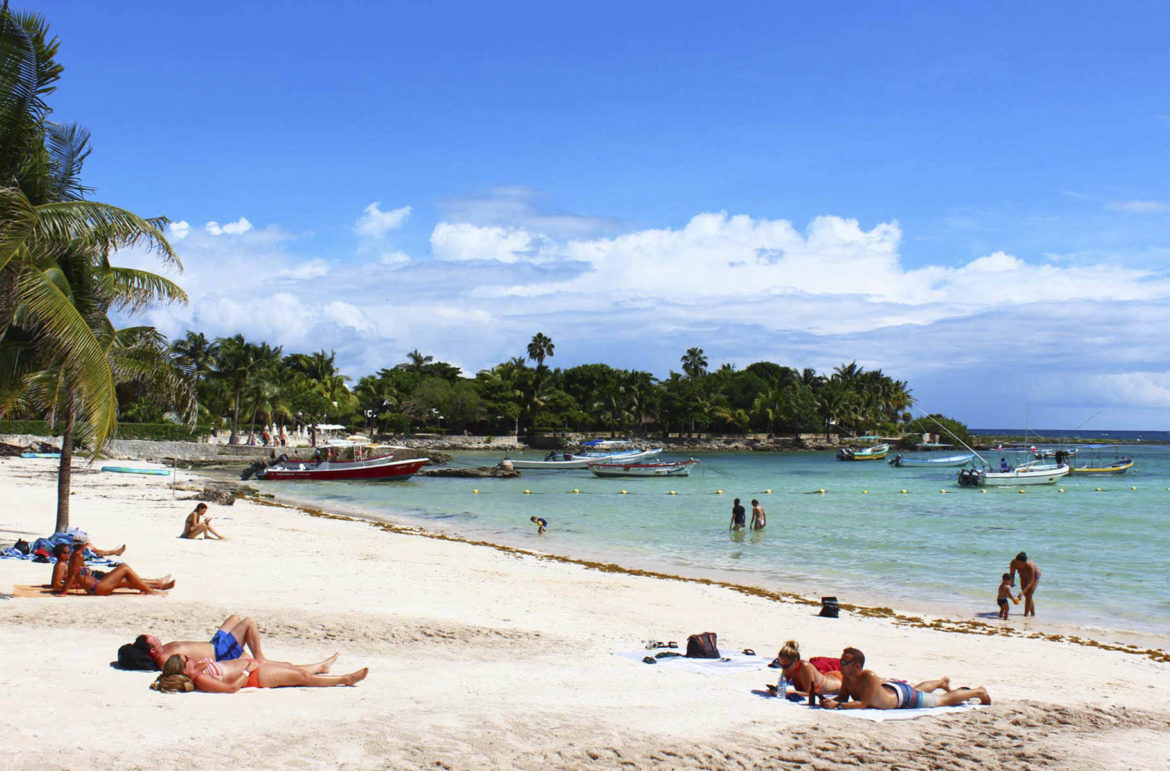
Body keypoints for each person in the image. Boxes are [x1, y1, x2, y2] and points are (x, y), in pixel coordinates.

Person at [821, 647, 990, 710]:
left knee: (942, 700)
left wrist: (838, 705)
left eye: (845, 662)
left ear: (857, 666)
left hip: (903, 698)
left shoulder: (868, 676)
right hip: (892, 691)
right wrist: (827, 701)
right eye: (841, 661)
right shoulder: (847, 677)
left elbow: (863, 704)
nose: (840, 664)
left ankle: (978, 692)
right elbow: (842, 698)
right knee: (917, 688)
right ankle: (941, 682)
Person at [151, 653, 366, 693]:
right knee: (300, 678)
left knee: (293, 668)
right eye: (185, 659)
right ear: (184, 669)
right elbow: (230, 688)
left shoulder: (197, 669)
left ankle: (321, 667)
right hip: (255, 676)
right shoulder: (201, 679)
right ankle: (344, 679)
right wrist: (247, 670)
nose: (189, 657)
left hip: (253, 668)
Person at [134, 613, 277, 668]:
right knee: (249, 622)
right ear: (152, 650)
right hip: (219, 652)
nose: (156, 637)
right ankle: (260, 658)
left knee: (235, 618)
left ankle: (240, 652)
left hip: (214, 644)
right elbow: (185, 667)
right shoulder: (164, 659)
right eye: (153, 639)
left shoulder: (163, 650)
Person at [51, 543, 173, 596]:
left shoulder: (75, 558)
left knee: (128, 580)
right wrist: (67, 590)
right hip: (97, 587)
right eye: (66, 552)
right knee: (124, 569)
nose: (69, 553)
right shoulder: (65, 563)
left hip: (96, 584)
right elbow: (58, 583)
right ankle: (153, 589)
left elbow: (72, 576)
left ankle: (158, 584)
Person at [764, 640, 842, 699]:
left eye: (786, 666)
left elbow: (809, 693)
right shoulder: (788, 668)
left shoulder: (804, 666)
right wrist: (776, 690)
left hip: (839, 681)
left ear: (795, 661)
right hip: (829, 676)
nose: (784, 669)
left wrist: (786, 693)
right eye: (781, 666)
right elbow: (781, 686)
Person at [1010, 551, 1041, 617]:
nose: (1018, 565)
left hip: (1034, 576)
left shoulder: (1030, 567)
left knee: (1029, 594)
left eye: (1020, 564)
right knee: (1027, 595)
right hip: (1023, 575)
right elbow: (1012, 574)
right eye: (1017, 563)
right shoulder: (1013, 563)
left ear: (1025, 562)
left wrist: (1022, 593)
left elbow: (1030, 582)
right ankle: (1033, 614)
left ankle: (1025, 615)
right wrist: (1011, 582)